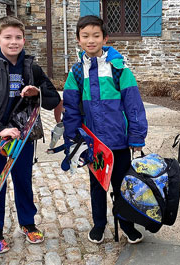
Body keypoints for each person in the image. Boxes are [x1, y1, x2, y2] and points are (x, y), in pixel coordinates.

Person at [0, 16, 61, 253]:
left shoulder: (32, 68)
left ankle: (28, 224)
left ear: (23, 40)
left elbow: (53, 100)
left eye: (18, 37)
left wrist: (36, 92)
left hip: (23, 138)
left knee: (23, 182)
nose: (13, 42)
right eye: (7, 37)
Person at [62, 15, 148, 245]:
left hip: (119, 141)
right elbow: (70, 107)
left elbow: (133, 104)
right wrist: (73, 136)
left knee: (122, 185)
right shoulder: (76, 73)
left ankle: (127, 225)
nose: (91, 40)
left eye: (96, 36)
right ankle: (99, 224)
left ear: (105, 38)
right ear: (79, 40)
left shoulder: (119, 69)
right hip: (93, 143)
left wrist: (137, 136)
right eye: (85, 36)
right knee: (97, 186)